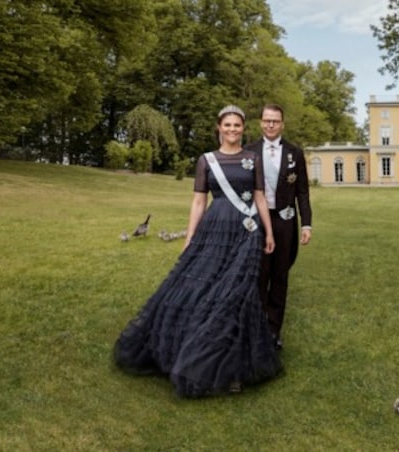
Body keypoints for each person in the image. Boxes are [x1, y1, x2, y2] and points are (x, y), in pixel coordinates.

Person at [113, 105, 282, 398]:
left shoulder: (253, 159)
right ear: (219, 128)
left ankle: (232, 367)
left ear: (243, 129)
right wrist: (190, 236)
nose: (232, 130)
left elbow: (259, 198)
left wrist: (268, 231)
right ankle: (192, 351)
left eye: (237, 125)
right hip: (214, 230)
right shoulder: (206, 161)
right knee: (202, 288)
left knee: (238, 292)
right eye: (227, 125)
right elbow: (198, 202)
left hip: (247, 231)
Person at [246, 104, 312, 350]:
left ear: (282, 124)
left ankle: (274, 331)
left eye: (275, 121)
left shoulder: (295, 152)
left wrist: (306, 224)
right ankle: (258, 326)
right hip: (258, 221)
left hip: (285, 221)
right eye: (267, 120)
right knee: (259, 275)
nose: (270, 125)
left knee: (280, 276)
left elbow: (303, 192)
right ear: (261, 123)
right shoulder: (249, 151)